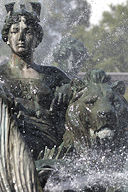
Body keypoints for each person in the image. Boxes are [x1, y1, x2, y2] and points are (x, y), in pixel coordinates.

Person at [0, 2, 71, 160]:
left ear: (37, 38)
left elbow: (81, 91)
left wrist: (68, 88)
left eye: (28, 32)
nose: (21, 37)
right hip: (10, 144)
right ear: (7, 37)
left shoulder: (53, 74)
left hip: (47, 144)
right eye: (15, 31)